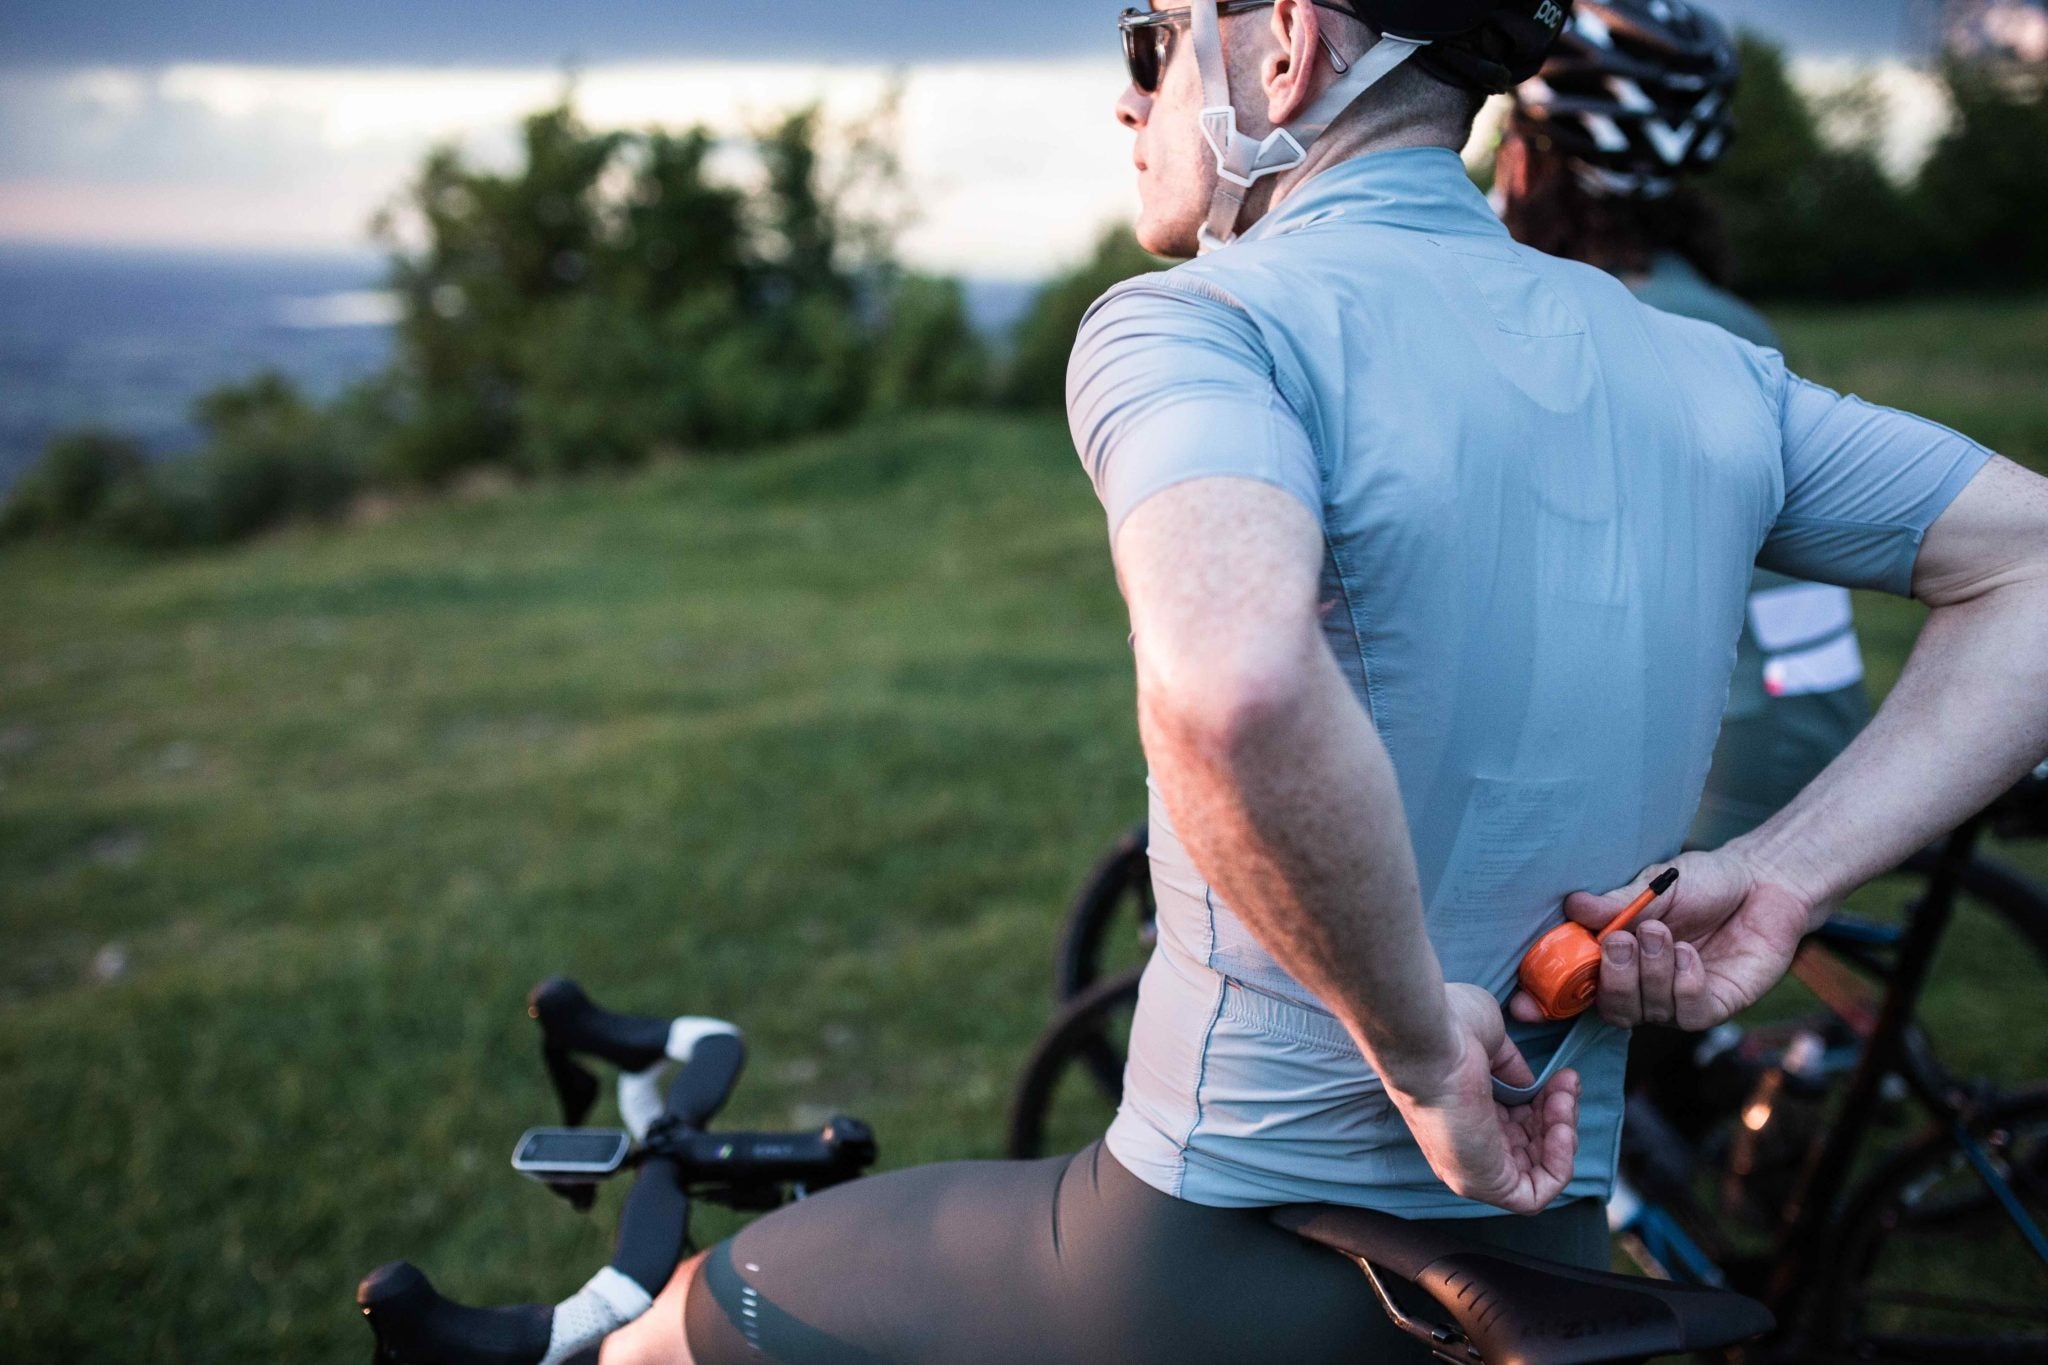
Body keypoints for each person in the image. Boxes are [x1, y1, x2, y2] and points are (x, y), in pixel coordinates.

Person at [593, 3, 2048, 1361]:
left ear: (1283, 42)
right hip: (1547, 1255)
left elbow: (1234, 692)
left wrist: (1418, 1051)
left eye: (1153, 37)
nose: (1127, 95)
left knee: (679, 1327)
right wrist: (1786, 875)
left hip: (1201, 1252)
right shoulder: (1709, 373)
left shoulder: (1205, 323)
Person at [1496, 0, 1874, 851]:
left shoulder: (1583, 329)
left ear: (1530, 159)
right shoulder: (1717, 312)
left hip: (1707, 764)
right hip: (1809, 727)